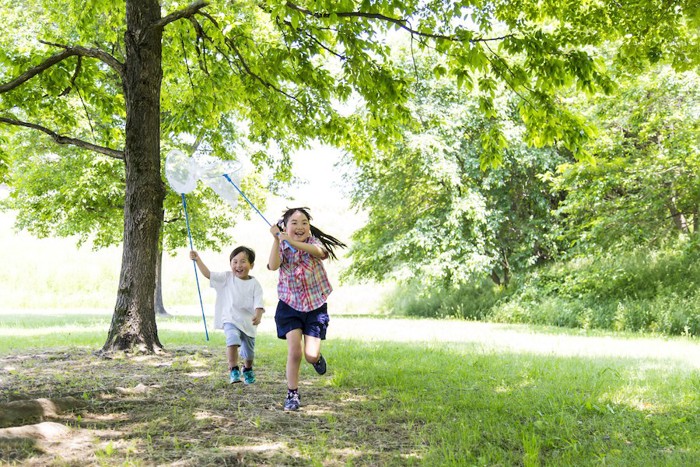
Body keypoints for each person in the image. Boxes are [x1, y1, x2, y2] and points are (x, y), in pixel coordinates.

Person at [267, 207, 347, 411]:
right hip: (289, 304)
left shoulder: (313, 243)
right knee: (295, 352)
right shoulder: (282, 246)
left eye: (304, 222)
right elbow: (273, 265)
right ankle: (292, 393)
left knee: (310, 355)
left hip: (315, 306)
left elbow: (321, 254)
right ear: (285, 227)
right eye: (294, 222)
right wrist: (277, 240)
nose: (300, 226)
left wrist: (292, 242)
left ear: (309, 228)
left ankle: (316, 358)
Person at [190, 246, 265, 385]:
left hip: (248, 323)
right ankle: (233, 369)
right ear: (230, 264)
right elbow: (208, 274)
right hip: (230, 319)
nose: (238, 265)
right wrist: (198, 259)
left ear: (251, 265)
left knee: (249, 353)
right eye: (234, 262)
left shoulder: (255, 284)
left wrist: (258, 314)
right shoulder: (226, 278)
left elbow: (259, 302)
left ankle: (247, 369)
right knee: (232, 339)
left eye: (243, 261)